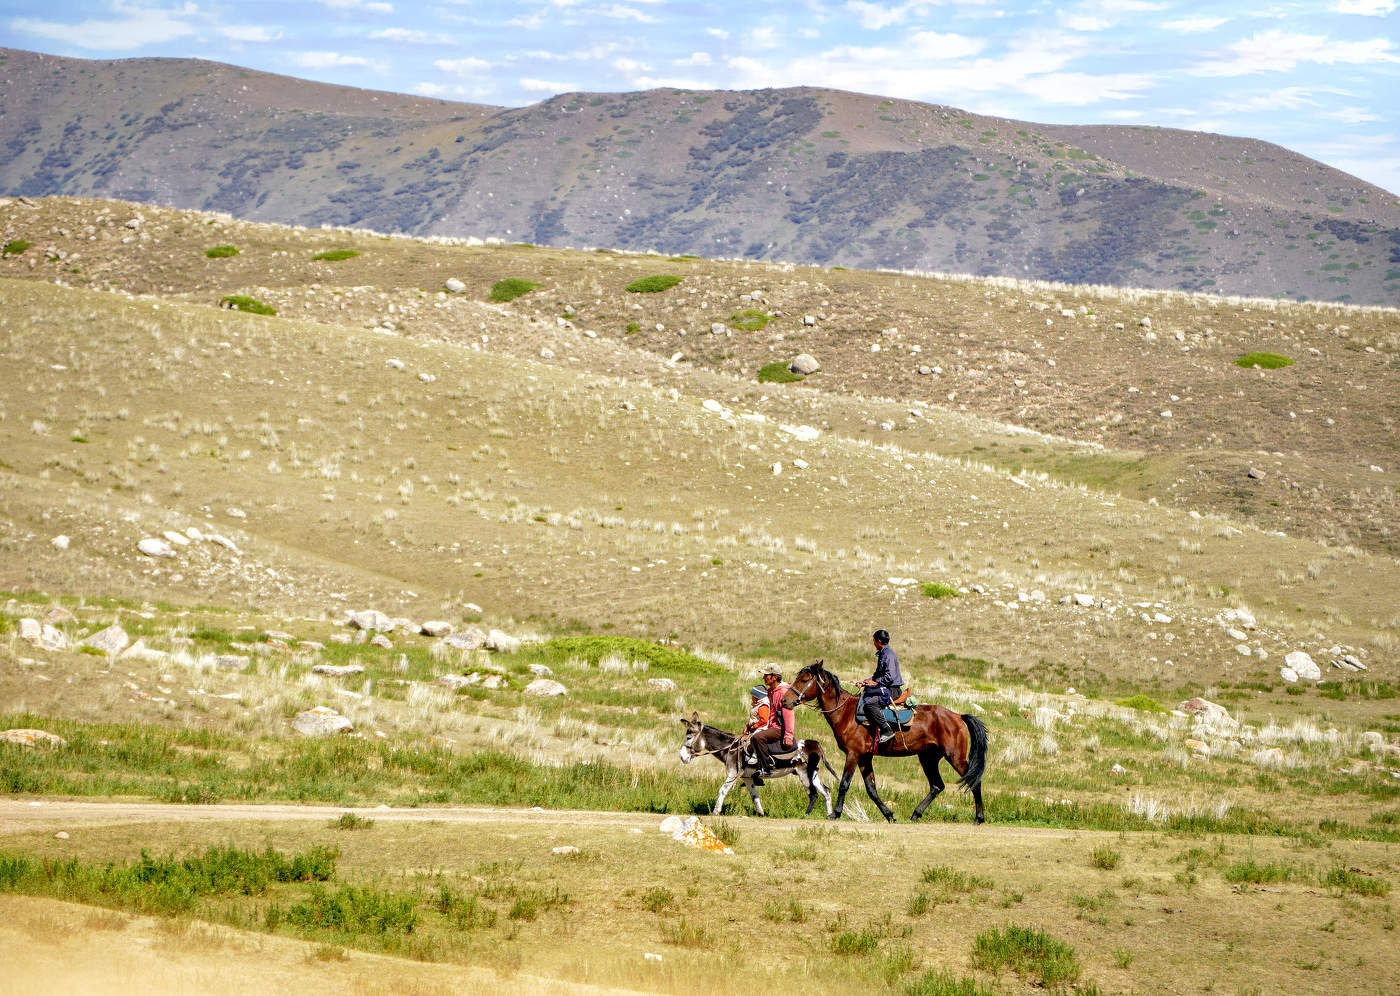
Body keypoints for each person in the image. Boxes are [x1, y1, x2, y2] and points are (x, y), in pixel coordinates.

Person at [856, 629, 903, 746]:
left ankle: (887, 730)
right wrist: (865, 682)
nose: (873, 643)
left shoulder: (888, 655)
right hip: (885, 688)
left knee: (870, 704)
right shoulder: (883, 653)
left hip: (892, 690)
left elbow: (890, 677)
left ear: (879, 641)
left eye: (874, 641)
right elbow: (877, 675)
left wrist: (875, 683)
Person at [749, 664, 795, 782]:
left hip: (779, 728)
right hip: (770, 726)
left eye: (766, 675)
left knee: (758, 737)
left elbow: (789, 714)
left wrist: (788, 735)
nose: (763, 677)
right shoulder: (770, 691)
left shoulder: (783, 692)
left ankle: (766, 769)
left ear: (774, 677)